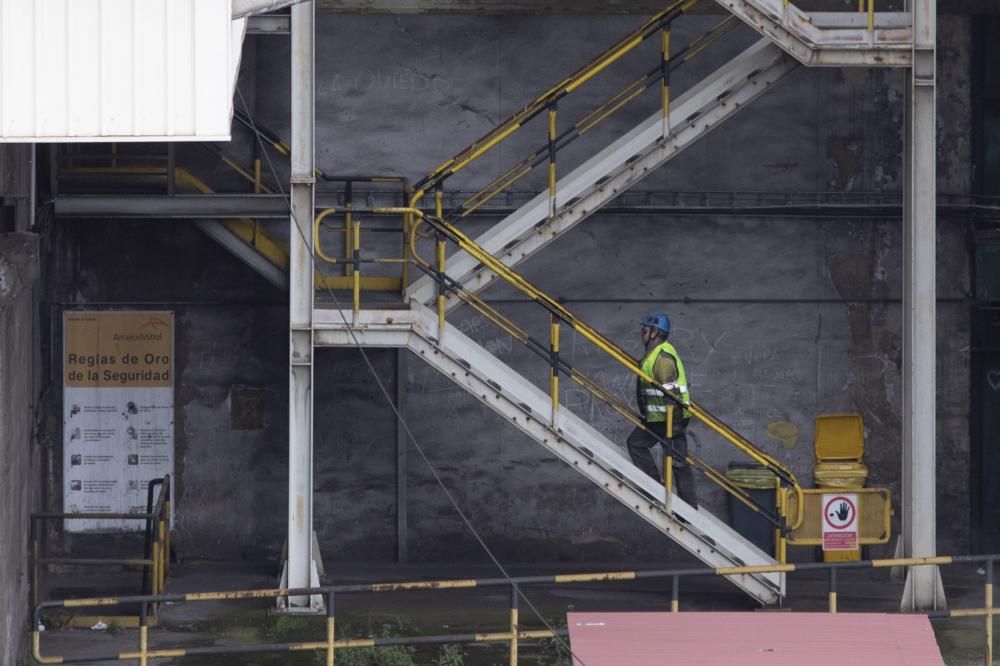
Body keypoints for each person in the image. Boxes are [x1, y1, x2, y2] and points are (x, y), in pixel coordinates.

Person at [626, 311, 698, 508]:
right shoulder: (653, 355)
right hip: (657, 419)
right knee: (637, 444)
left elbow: (672, 396)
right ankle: (656, 488)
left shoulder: (662, 359)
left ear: (655, 333)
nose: (642, 332)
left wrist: (673, 429)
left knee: (678, 463)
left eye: (645, 329)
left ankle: (689, 512)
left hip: (669, 421)